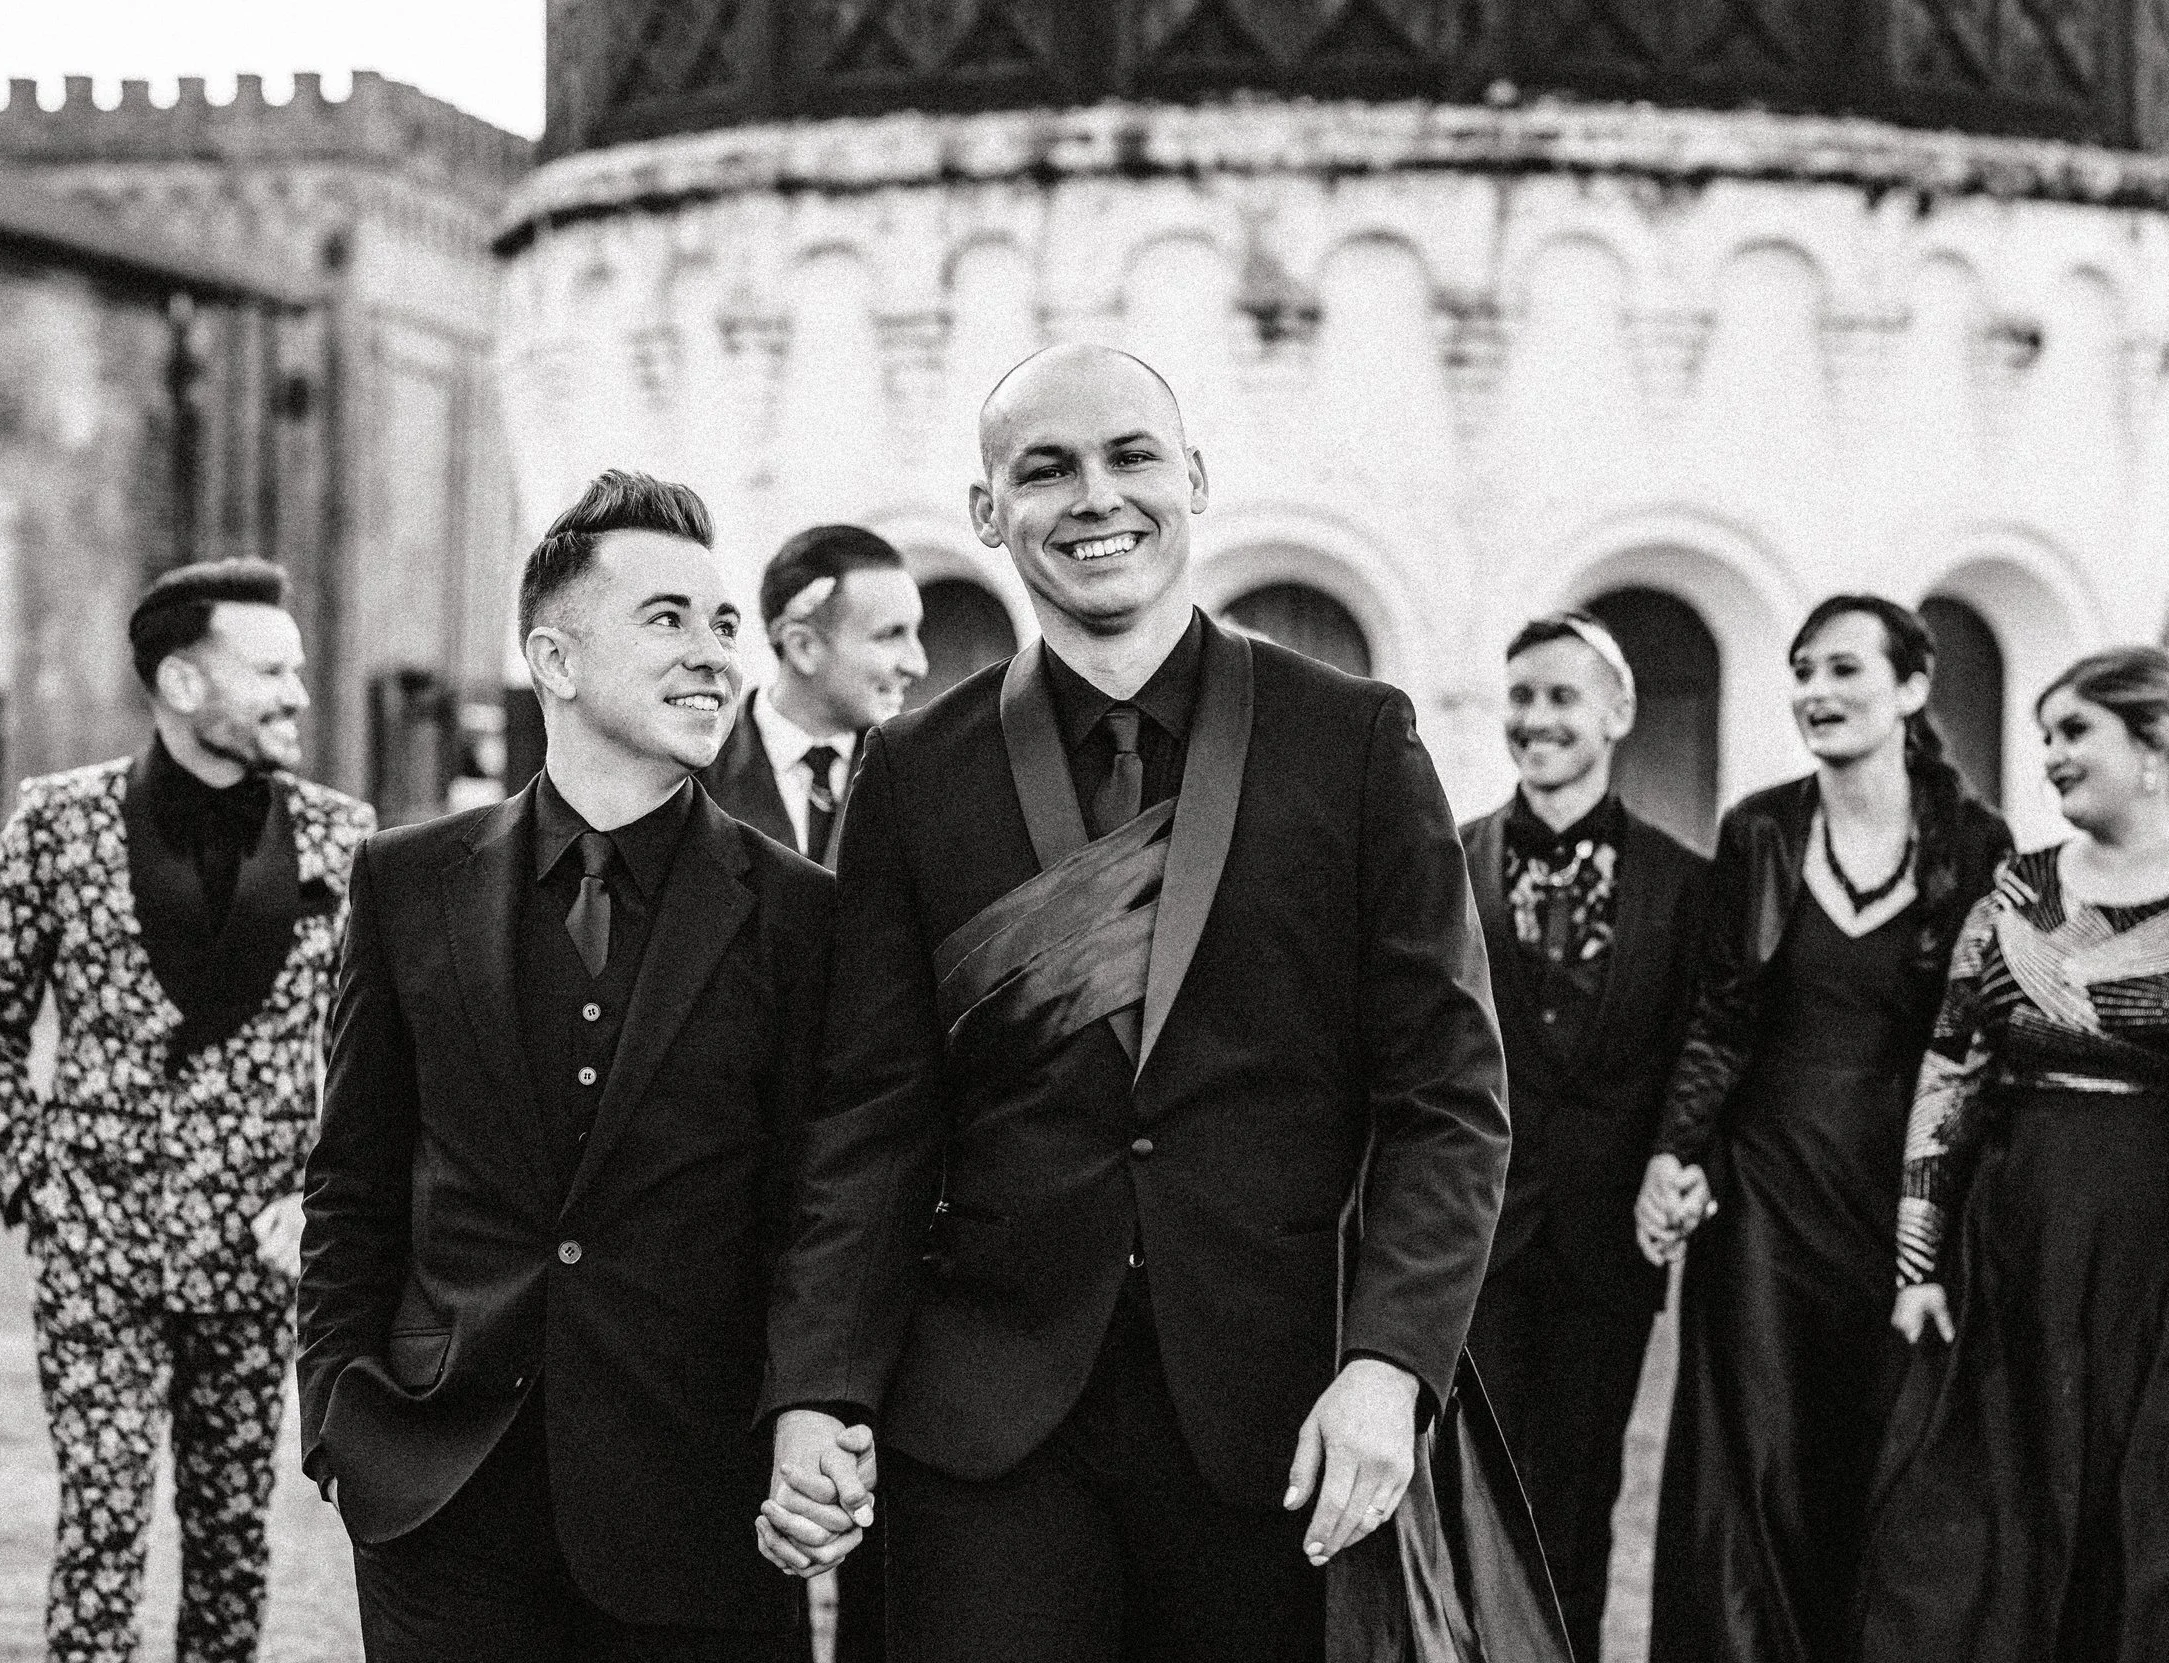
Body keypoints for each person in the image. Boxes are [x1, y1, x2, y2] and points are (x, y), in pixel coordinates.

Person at [756, 344, 1512, 1663]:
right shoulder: (914, 774)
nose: (1095, 496)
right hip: (985, 1419)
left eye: (1131, 456)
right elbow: (871, 1117)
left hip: (1281, 1411)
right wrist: (817, 1385)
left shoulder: (1351, 741)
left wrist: (1391, 1364)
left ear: (1195, 479)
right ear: (988, 511)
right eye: (1046, 469)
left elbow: (1447, 1096)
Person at [299, 470, 833, 1662]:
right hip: (439, 1502)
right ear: (555, 658)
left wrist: (810, 1409)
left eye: (724, 624)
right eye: (667, 619)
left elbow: (818, 1204)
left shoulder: (800, 913)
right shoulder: (405, 881)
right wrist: (337, 1414)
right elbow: (351, 1177)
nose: (714, 655)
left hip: (699, 1511)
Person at [0, 559, 374, 1663]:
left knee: (232, 1545)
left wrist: (318, 1196)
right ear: (184, 683)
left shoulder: (344, 837)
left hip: (257, 1260)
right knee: (98, 1531)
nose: (297, 693)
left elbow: (377, 1061)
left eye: (296, 670)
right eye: (270, 671)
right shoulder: (57, 821)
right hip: (95, 1253)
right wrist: (35, 1187)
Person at [1636, 594, 2010, 1663]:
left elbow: (1980, 1045)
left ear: (1911, 686)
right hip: (1765, 1194)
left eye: (1844, 668)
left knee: (1883, 1459)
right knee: (1753, 1464)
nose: (1815, 690)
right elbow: (1720, 1017)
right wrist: (1675, 1151)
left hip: (1903, 1200)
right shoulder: (1758, 828)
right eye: (1803, 670)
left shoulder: (1976, 843)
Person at [1860, 646, 2169, 1663]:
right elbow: (1951, 1068)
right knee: (1987, 1511)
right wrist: (1918, 1262)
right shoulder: (2014, 892)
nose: (2050, 754)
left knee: (2142, 1511)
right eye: (2045, 734)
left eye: (2075, 729)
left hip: (2155, 1248)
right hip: (2015, 1237)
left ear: (2154, 740)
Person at [1460, 612, 1704, 1657]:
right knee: (1472, 1498)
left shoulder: (1684, 880)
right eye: (1520, 696)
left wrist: (1678, 1163)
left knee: (1585, 1498)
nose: (1536, 718)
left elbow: (1698, 1048)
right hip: (1475, 1239)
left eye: (1561, 696)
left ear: (1618, 712)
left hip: (1607, 1250)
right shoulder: (1445, 860)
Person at [702, 522, 928, 866]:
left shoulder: (920, 774)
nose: (918, 665)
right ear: (803, 647)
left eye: (915, 632)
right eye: (890, 635)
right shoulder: (697, 774)